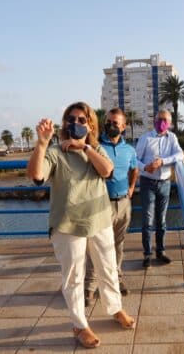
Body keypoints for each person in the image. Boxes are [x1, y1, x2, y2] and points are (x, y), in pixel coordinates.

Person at [27, 102, 135, 349]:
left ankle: (115, 308)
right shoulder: (55, 152)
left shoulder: (95, 148)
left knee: (108, 269)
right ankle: (79, 325)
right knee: (74, 277)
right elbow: (36, 176)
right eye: (70, 119)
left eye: (81, 120)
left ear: (91, 125)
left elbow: (107, 170)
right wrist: (42, 143)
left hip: (100, 221)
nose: (75, 124)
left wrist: (85, 146)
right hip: (68, 226)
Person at [85, 107, 138, 305]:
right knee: (95, 246)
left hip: (124, 203)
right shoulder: (97, 146)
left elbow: (134, 169)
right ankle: (89, 287)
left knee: (118, 244)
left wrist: (132, 187)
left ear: (123, 127)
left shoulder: (130, 150)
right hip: (101, 204)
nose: (110, 125)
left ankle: (116, 279)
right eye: (108, 121)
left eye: (115, 123)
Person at [135, 109, 184, 268]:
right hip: (148, 182)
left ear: (169, 123)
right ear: (154, 120)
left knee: (161, 220)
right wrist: (144, 167)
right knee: (148, 221)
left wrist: (163, 161)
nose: (162, 122)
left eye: (165, 120)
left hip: (165, 183)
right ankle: (147, 254)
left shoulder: (172, 137)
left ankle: (160, 251)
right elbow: (135, 159)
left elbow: (180, 155)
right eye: (159, 119)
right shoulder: (145, 138)